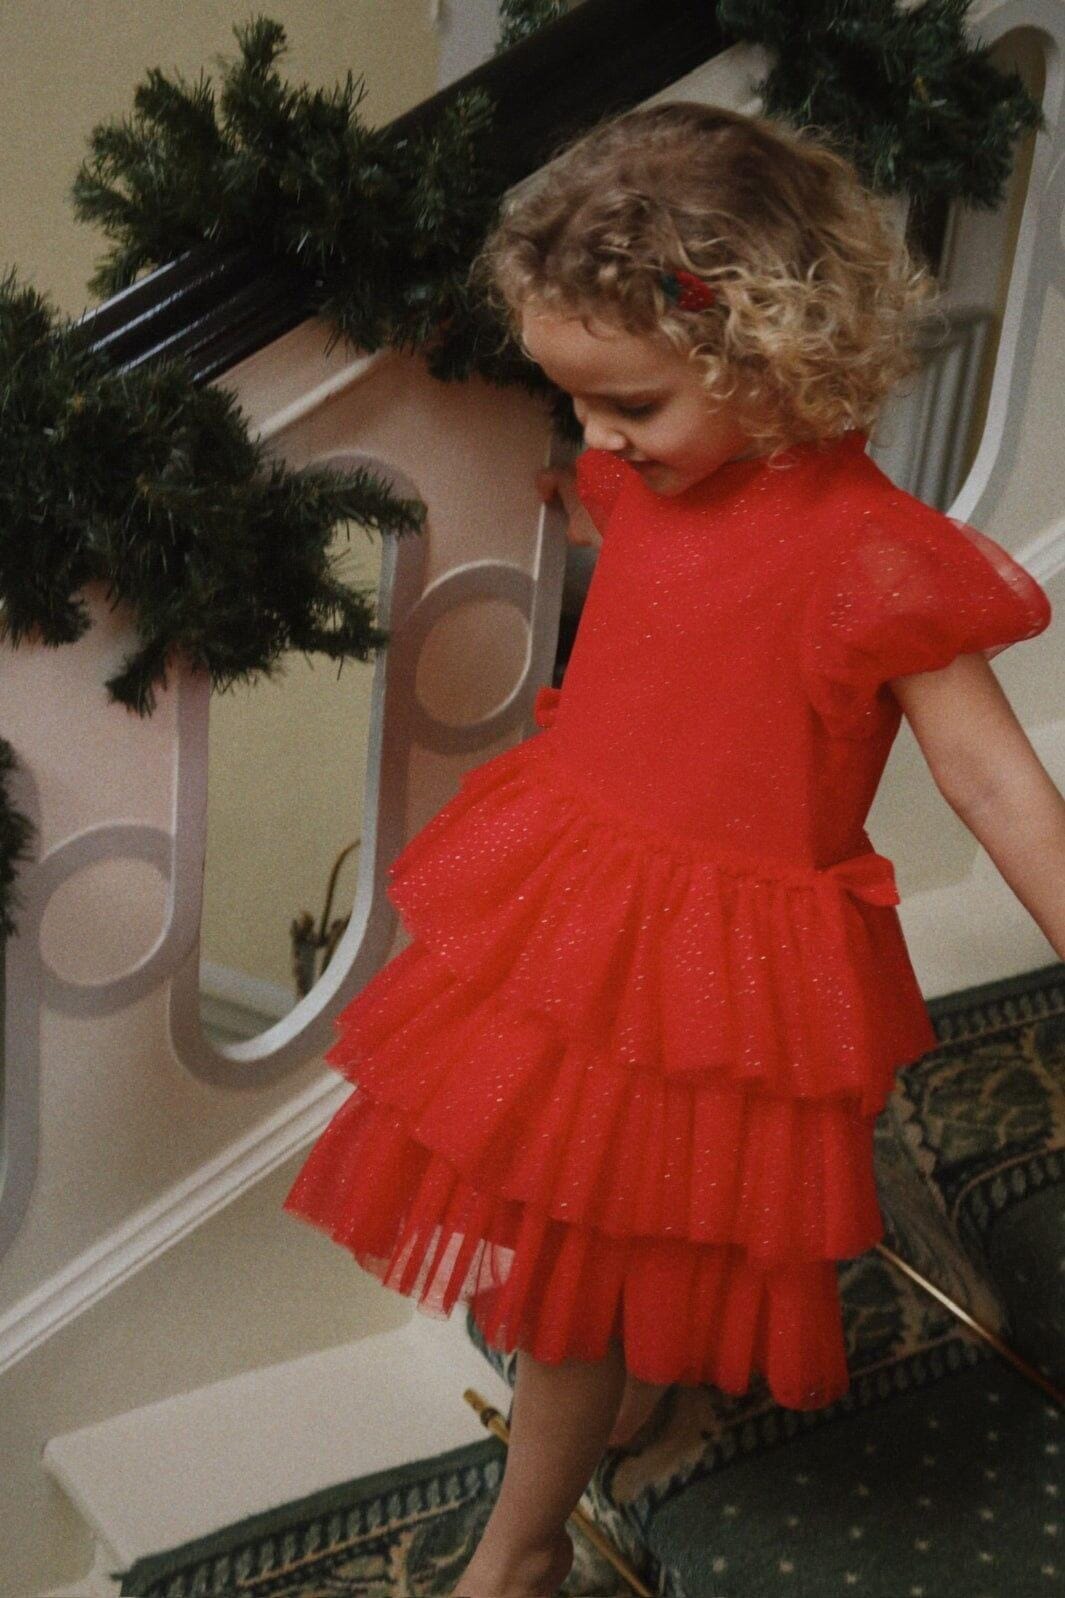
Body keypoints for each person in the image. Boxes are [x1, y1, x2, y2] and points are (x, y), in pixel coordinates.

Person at [283, 102, 1064, 1597]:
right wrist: (614, 492)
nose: (596, 437)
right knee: (587, 1237)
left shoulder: (871, 554)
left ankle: (517, 1551)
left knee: (582, 1265)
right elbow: (655, 587)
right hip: (577, 912)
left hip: (716, 969)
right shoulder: (642, 476)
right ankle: (625, 1405)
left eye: (627, 401)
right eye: (576, 400)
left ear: (767, 348)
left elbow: (994, 783)